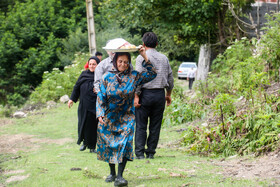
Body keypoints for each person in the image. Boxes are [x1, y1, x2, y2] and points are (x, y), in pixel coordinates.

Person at [96, 47, 157, 186]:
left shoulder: (134, 76)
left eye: (126, 62)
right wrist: (100, 113)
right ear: (115, 61)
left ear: (129, 62)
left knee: (125, 144)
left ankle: (119, 176)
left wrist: (144, 56)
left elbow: (152, 74)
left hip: (127, 116)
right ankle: (112, 172)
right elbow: (101, 96)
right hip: (109, 116)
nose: (123, 64)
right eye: (120, 61)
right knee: (109, 145)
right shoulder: (106, 77)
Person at [134, 32, 174, 159]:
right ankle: (150, 152)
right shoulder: (164, 58)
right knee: (155, 126)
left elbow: (138, 78)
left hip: (145, 94)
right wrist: (168, 94)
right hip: (159, 95)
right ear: (156, 44)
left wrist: (136, 96)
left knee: (141, 125)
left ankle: (139, 153)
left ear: (144, 44)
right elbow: (170, 78)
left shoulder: (140, 58)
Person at [68, 56, 100, 153]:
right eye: (90, 64)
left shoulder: (100, 76)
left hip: (94, 105)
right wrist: (72, 99)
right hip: (83, 105)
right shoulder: (83, 74)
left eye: (94, 64)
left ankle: (92, 147)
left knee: (93, 126)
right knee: (83, 124)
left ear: (98, 65)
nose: (92, 66)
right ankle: (84, 143)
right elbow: (76, 87)